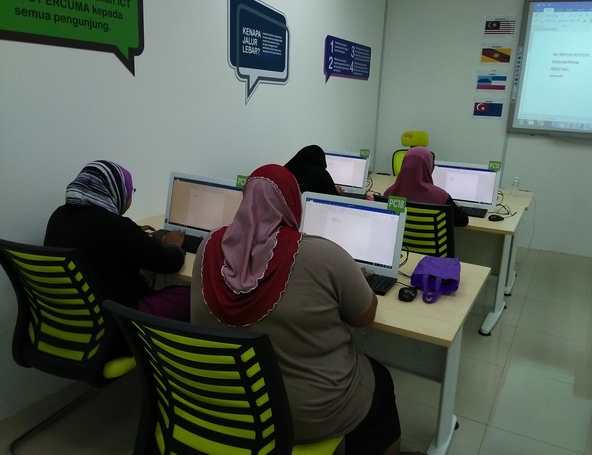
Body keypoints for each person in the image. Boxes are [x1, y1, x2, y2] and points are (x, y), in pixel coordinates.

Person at [191, 164, 416, 455]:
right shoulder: (324, 254)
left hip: (224, 401)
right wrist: (353, 280)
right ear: (292, 204)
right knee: (380, 380)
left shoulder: (208, 245)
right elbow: (365, 316)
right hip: (305, 416)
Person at [44, 160, 190, 322]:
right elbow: (170, 263)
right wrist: (173, 244)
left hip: (71, 313)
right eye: (130, 192)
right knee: (191, 296)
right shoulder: (117, 227)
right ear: (117, 192)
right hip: (118, 315)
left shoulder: (58, 216)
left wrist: (134, 234)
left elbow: (94, 239)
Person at [384, 146, 469, 227]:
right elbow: (462, 220)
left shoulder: (389, 193)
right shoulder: (440, 196)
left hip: (402, 238)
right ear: (429, 166)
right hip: (429, 238)